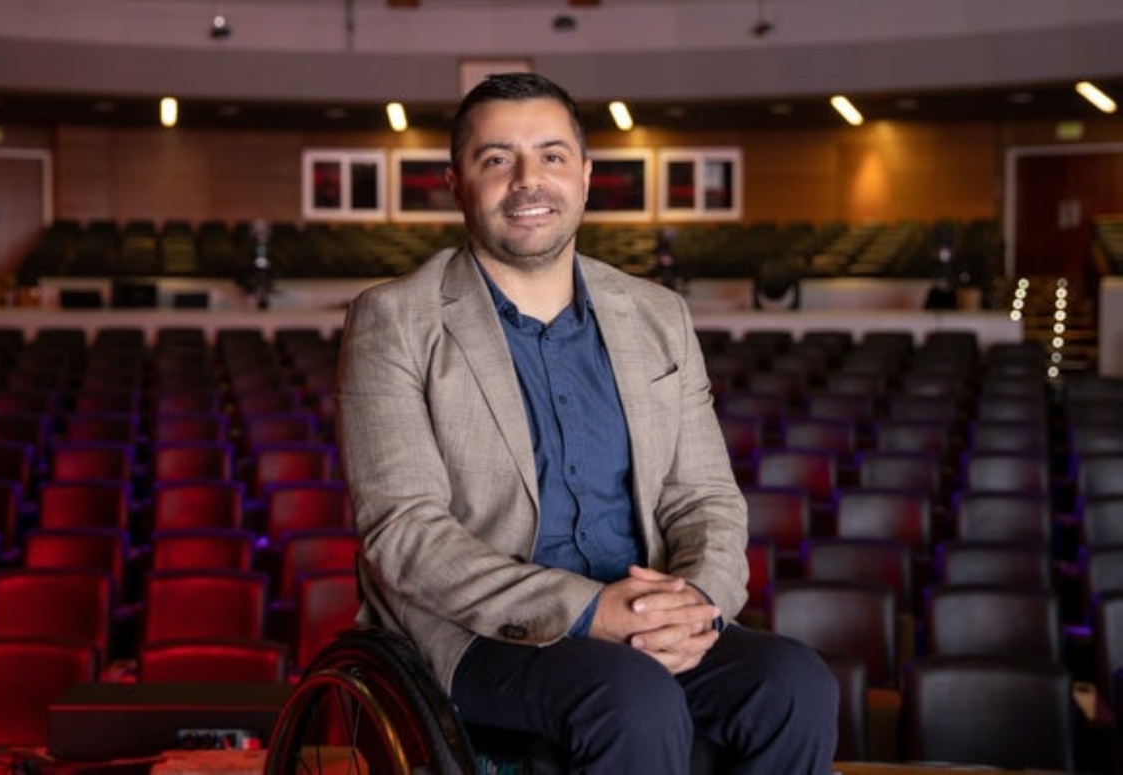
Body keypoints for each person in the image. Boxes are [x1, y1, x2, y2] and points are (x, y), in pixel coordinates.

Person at [335, 72, 838, 774]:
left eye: (551, 155)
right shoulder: (392, 320)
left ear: (586, 176)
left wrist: (694, 602)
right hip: (478, 633)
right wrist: (589, 610)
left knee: (795, 684)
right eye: (496, 158)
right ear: (456, 184)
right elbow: (405, 532)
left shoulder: (659, 315)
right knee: (631, 698)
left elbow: (706, 498)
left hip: (643, 612)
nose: (528, 180)